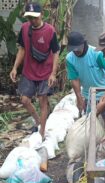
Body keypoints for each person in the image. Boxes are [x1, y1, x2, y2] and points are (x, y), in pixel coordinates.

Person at [9, 2, 60, 138]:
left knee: (42, 100)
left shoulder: (50, 31)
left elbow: (56, 53)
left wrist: (53, 74)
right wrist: (15, 67)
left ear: (41, 15)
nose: (32, 20)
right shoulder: (25, 28)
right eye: (29, 17)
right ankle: (38, 121)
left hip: (45, 72)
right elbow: (22, 49)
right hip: (29, 70)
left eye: (35, 17)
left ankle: (42, 132)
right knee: (25, 100)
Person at [66, 31, 105, 129]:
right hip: (88, 94)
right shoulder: (70, 58)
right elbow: (74, 80)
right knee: (89, 120)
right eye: (73, 49)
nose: (76, 51)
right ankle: (92, 142)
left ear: (84, 43)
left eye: (77, 48)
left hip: (103, 93)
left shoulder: (96, 54)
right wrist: (79, 98)